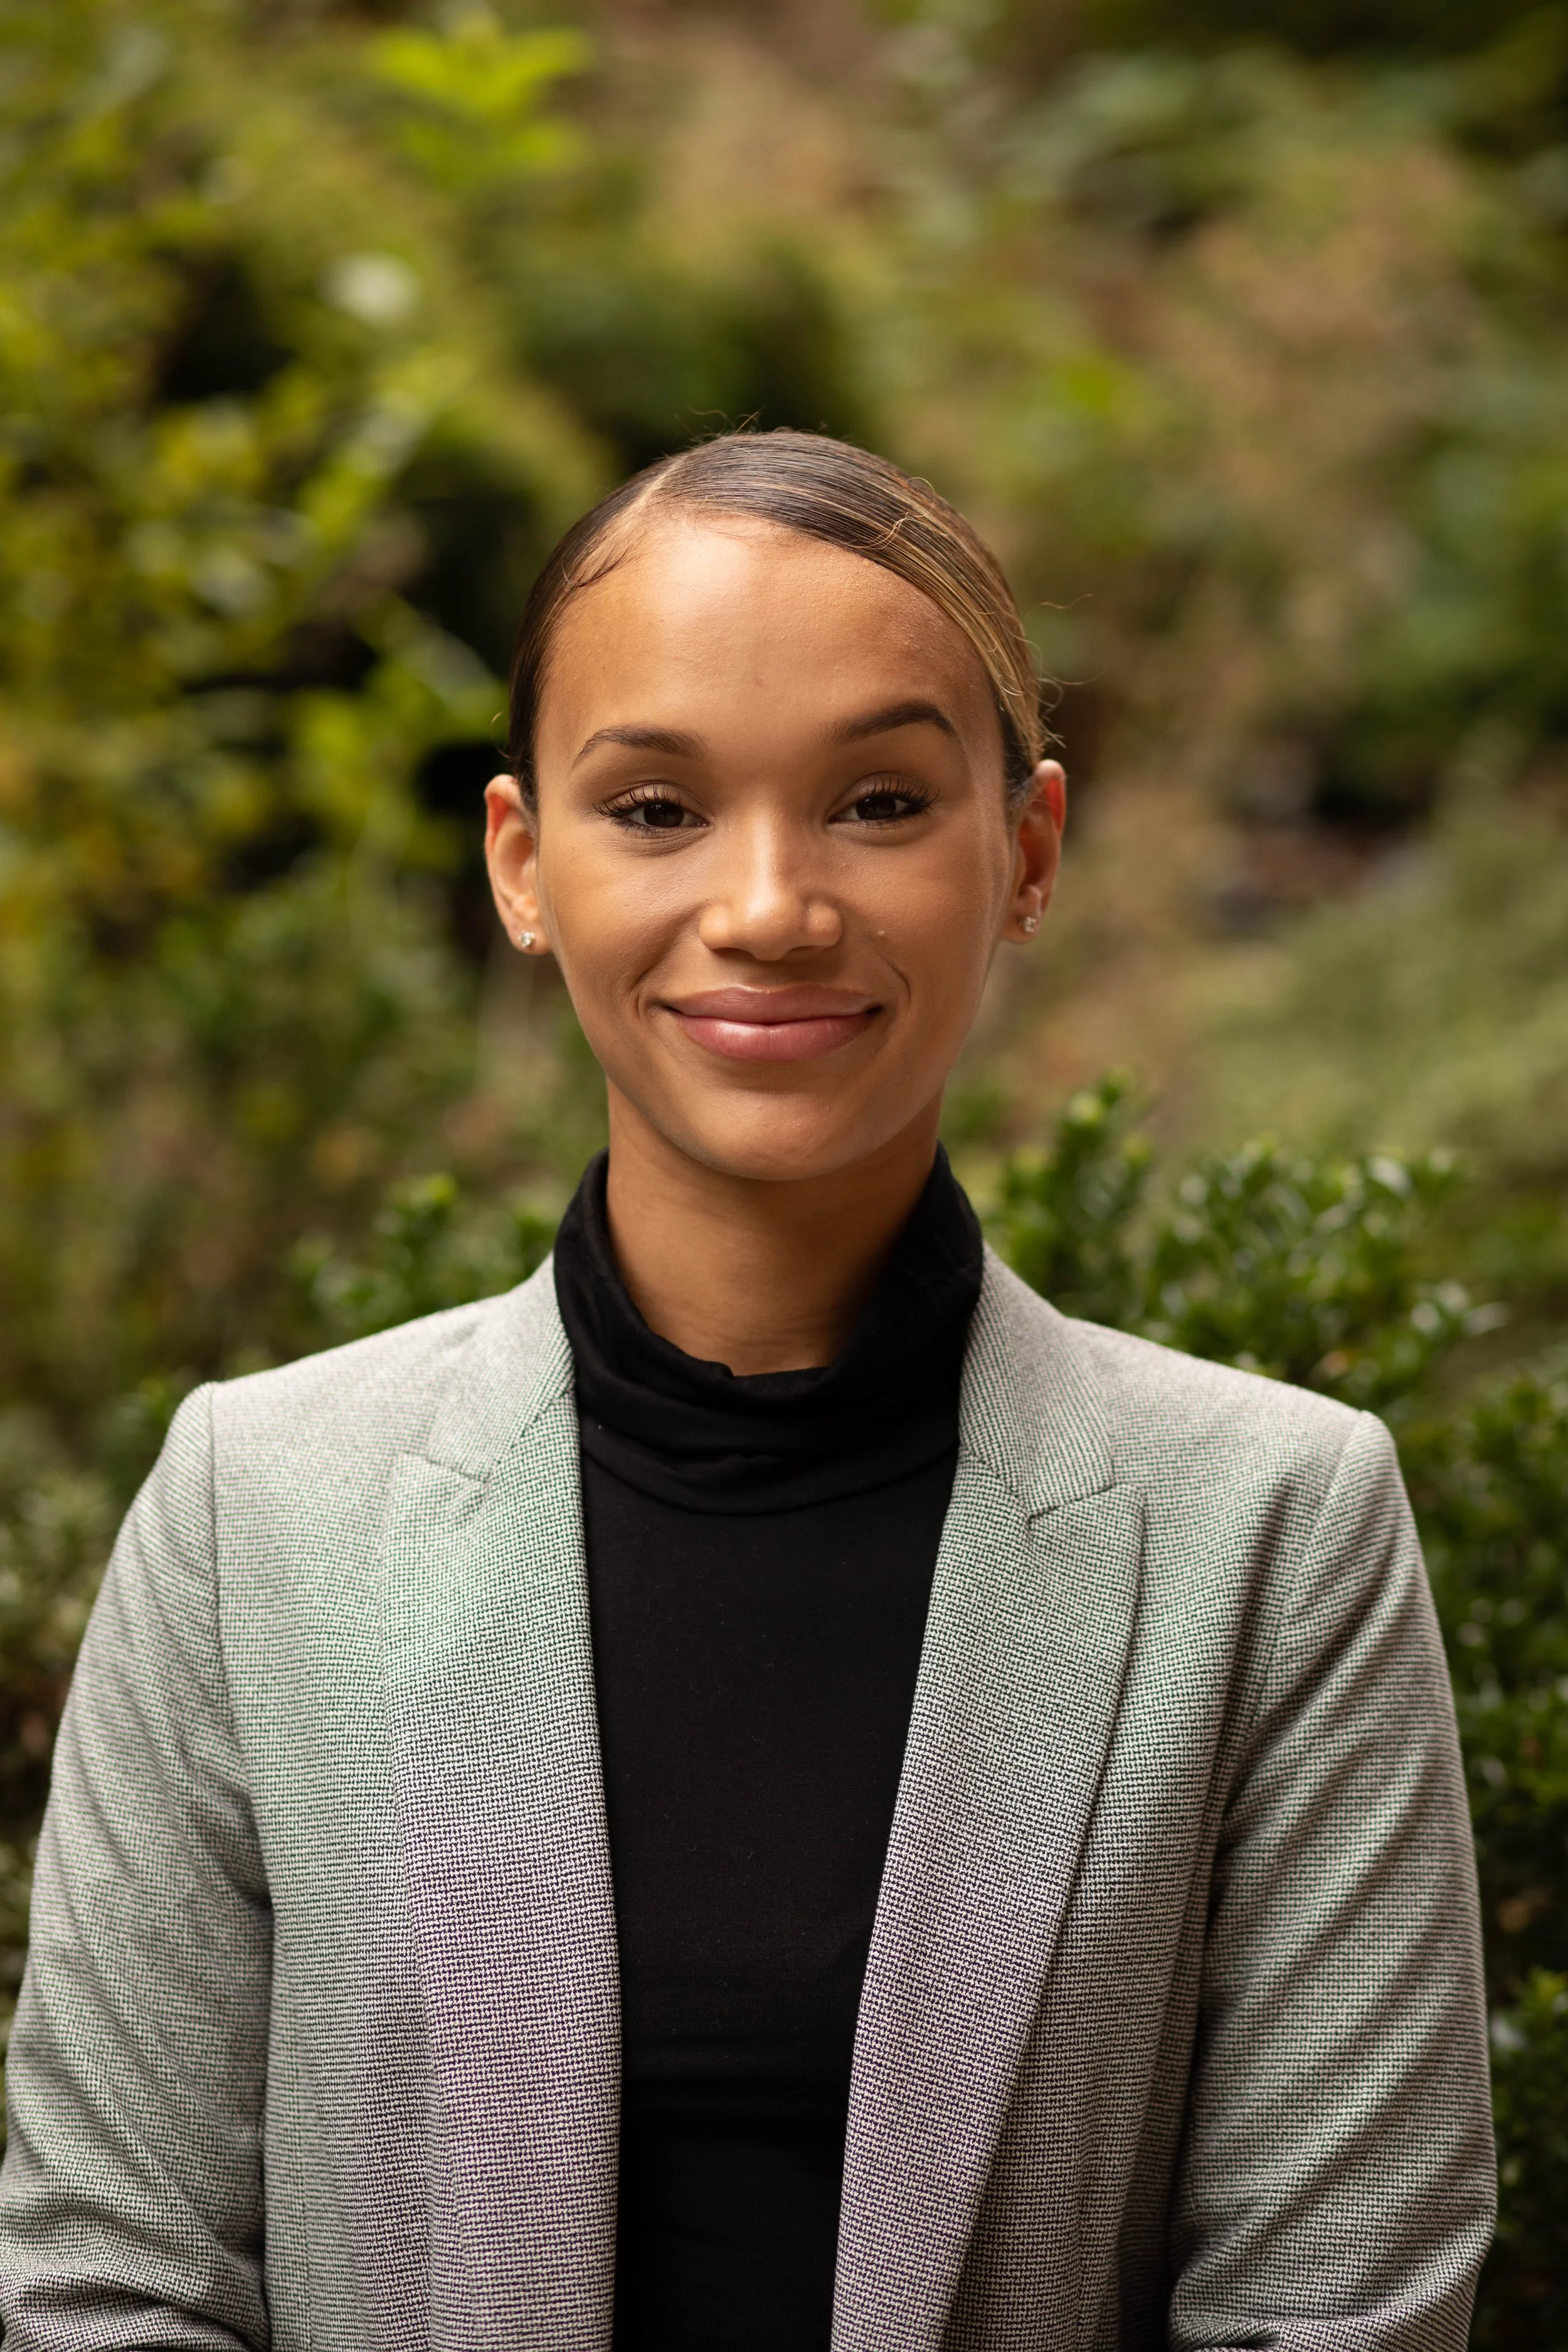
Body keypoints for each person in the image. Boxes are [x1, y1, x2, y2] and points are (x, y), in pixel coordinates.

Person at [0, 431, 1492, 2352]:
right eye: (656, 807)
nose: (771, 903)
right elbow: (109, 2275)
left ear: (1024, 852)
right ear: (523, 863)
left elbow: (1339, 2308)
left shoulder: (1272, 1526)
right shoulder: (255, 1506)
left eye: (879, 799)